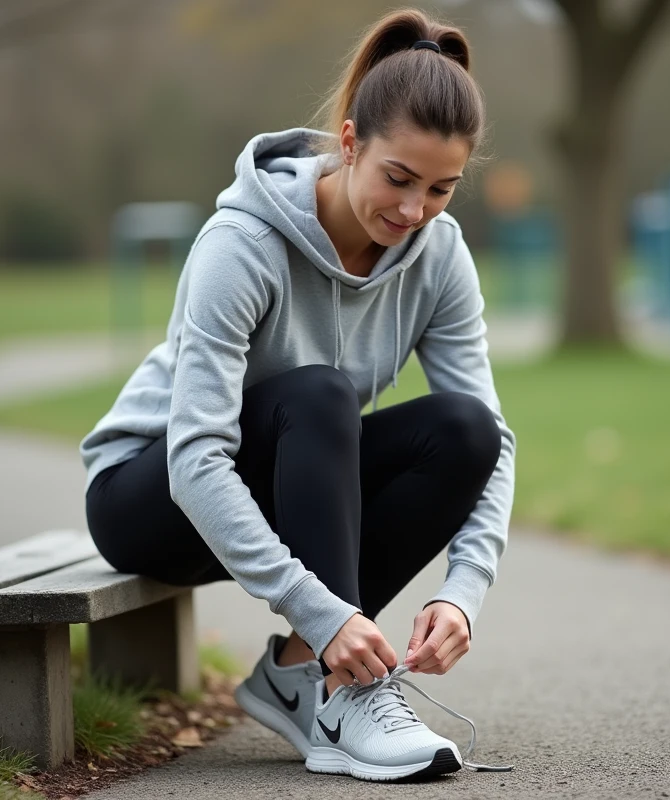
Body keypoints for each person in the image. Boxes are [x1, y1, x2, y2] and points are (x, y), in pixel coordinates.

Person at [80, 7, 515, 782]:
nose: (413, 211)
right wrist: (324, 613)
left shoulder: (439, 256)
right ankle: (340, 688)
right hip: (151, 495)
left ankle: (295, 672)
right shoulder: (241, 245)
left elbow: (496, 443)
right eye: (398, 178)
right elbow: (196, 460)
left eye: (441, 189)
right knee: (320, 394)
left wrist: (464, 593)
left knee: (466, 430)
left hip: (288, 483)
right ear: (349, 143)